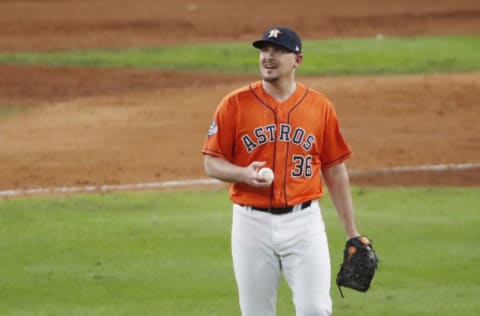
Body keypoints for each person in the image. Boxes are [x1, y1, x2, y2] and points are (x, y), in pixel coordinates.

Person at [201, 26, 360, 316]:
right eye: (264, 50)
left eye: (278, 51)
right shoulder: (234, 104)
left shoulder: (319, 106)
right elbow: (211, 162)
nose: (268, 57)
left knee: (315, 309)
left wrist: (352, 232)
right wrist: (242, 174)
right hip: (251, 226)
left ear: (297, 60)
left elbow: (335, 170)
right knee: (256, 312)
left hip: (304, 224)